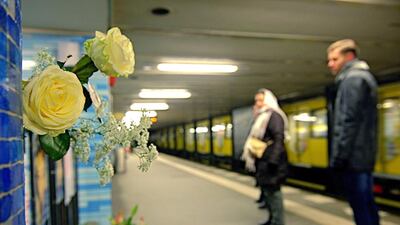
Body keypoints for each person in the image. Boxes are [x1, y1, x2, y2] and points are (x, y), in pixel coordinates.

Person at [327, 39, 380, 225]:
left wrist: (338, 158)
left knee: (360, 206)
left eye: (334, 59)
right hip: (363, 154)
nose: (330, 64)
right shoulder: (365, 77)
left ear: (349, 56)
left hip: (353, 157)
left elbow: (347, 120)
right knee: (367, 203)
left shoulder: (352, 80)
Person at [241, 89, 289, 225]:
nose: (258, 103)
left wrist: (273, 160)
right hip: (263, 158)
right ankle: (272, 219)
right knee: (267, 191)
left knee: (274, 192)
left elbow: (279, 138)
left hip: (272, 160)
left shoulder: (274, 116)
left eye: (261, 100)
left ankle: (278, 221)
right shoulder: (262, 117)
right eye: (256, 100)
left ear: (268, 101)